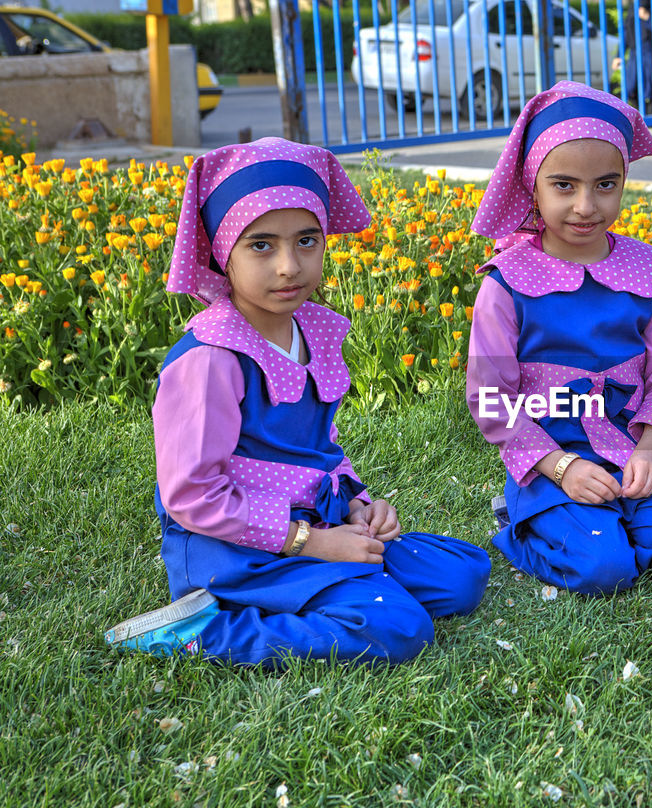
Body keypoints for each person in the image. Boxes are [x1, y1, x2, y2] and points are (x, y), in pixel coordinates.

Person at [104, 137, 491, 666]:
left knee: (464, 573)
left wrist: (359, 502)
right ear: (223, 252)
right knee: (398, 626)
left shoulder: (310, 329)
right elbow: (191, 497)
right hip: (240, 548)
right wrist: (311, 543)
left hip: (315, 519)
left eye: (307, 240)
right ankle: (206, 630)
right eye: (261, 245)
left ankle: (327, 587)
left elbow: (318, 446)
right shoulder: (211, 358)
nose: (289, 266)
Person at [466, 81, 652, 596]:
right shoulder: (506, 282)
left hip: (637, 443)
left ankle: (643, 510)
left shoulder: (649, 269)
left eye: (606, 185)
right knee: (603, 568)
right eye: (564, 185)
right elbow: (491, 398)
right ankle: (522, 522)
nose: (586, 205)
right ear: (532, 184)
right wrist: (561, 467)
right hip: (551, 450)